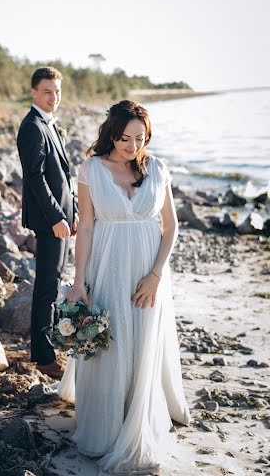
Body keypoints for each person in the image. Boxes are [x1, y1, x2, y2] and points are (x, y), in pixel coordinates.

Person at [58, 100, 190, 475]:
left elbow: (171, 227)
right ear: (111, 134)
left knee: (143, 344)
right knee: (111, 345)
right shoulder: (91, 170)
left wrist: (156, 274)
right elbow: (85, 227)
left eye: (140, 138)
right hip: (107, 266)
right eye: (124, 138)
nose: (132, 146)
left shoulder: (158, 169)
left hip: (149, 274)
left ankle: (139, 418)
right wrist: (78, 281)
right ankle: (105, 425)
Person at [17, 66, 78, 380]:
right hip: (49, 221)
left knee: (53, 283)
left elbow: (64, 177)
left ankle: (51, 344)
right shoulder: (32, 127)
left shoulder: (50, 125)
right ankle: (43, 357)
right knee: (46, 287)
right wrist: (56, 217)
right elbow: (35, 179)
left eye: (57, 91)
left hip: (64, 218)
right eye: (47, 91)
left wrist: (74, 211)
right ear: (33, 92)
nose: (54, 97)